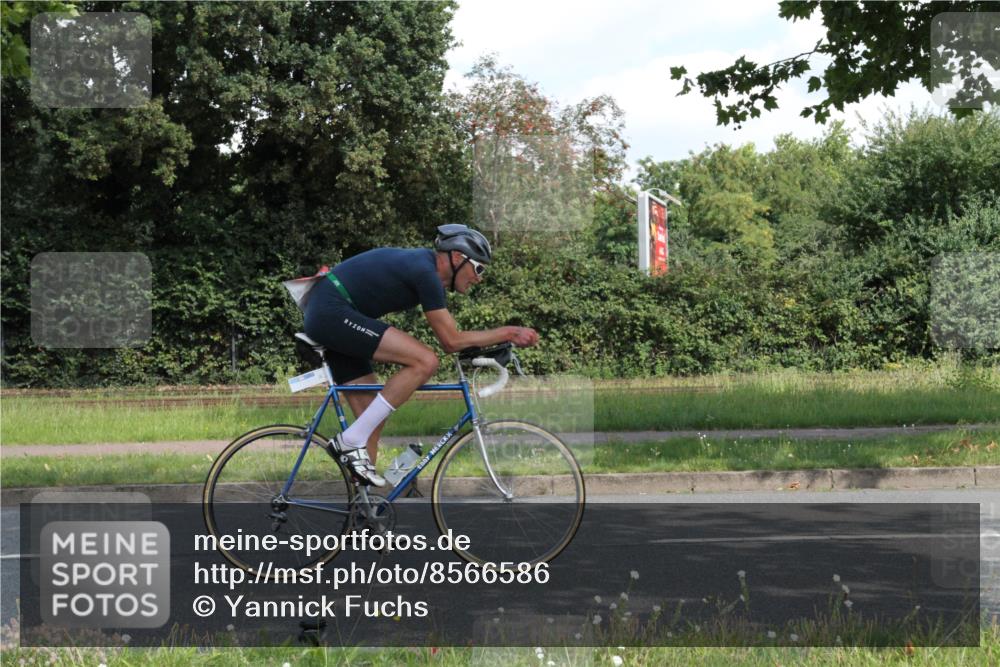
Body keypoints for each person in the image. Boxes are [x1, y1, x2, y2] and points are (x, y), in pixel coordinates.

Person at [303, 224, 539, 486]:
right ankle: (347, 442)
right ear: (459, 258)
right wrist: (508, 332)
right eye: (479, 268)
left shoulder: (426, 268)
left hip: (332, 313)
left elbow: (455, 339)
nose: (479, 278)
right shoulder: (425, 271)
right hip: (331, 311)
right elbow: (451, 341)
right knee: (425, 360)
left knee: (370, 421)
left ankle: (362, 513)